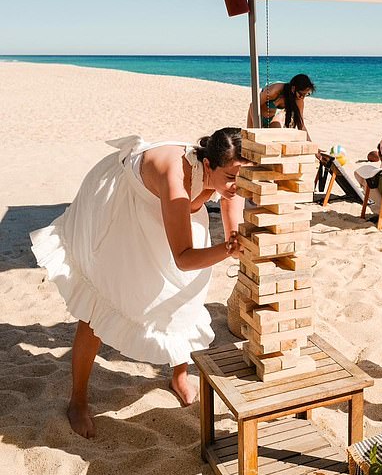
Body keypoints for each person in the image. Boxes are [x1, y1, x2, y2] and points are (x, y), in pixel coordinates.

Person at [30, 128, 248, 438]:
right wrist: (227, 251)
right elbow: (184, 256)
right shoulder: (176, 179)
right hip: (123, 207)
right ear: (209, 166)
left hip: (172, 214)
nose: (237, 185)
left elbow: (231, 200)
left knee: (184, 295)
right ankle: (77, 400)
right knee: (102, 301)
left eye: (243, 177)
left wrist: (231, 238)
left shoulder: (225, 173)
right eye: (231, 177)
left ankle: (178, 376)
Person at [246, 73, 315, 139]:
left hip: (272, 119)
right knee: (249, 140)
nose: (302, 97)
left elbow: (301, 124)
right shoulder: (274, 90)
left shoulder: (298, 100)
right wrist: (258, 129)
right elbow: (253, 105)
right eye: (301, 94)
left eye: (306, 95)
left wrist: (312, 144)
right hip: (255, 116)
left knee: (277, 139)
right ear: (293, 89)